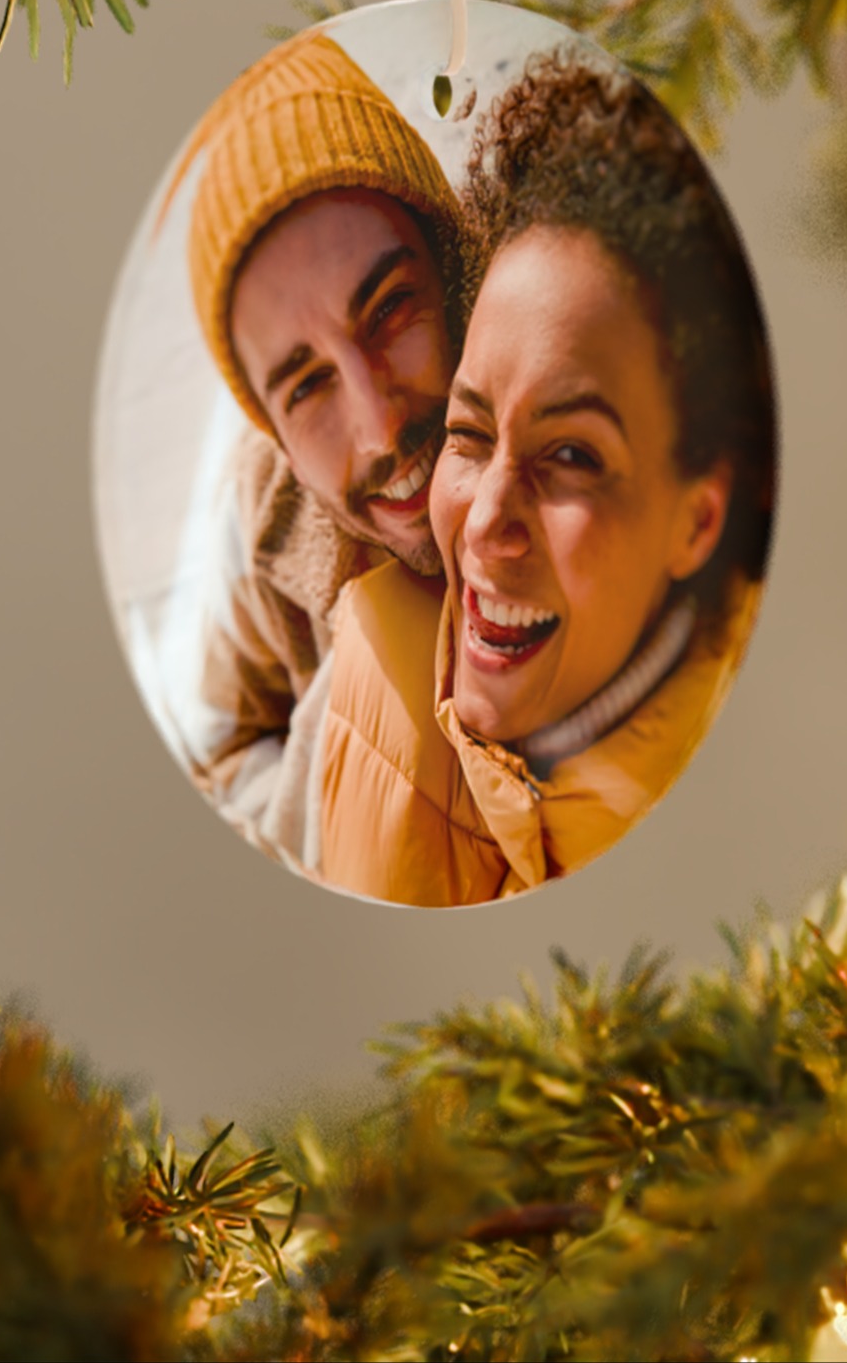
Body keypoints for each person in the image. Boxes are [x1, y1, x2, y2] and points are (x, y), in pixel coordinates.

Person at [317, 54, 775, 905]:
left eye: (570, 455)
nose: (487, 516)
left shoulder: (751, 829)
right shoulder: (371, 670)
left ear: (698, 521)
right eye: (468, 431)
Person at [171, 29, 463, 870]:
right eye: (306, 387)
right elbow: (219, 757)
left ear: (457, 266)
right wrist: (341, 759)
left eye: (390, 311)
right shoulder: (259, 513)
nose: (377, 425)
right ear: (271, 431)